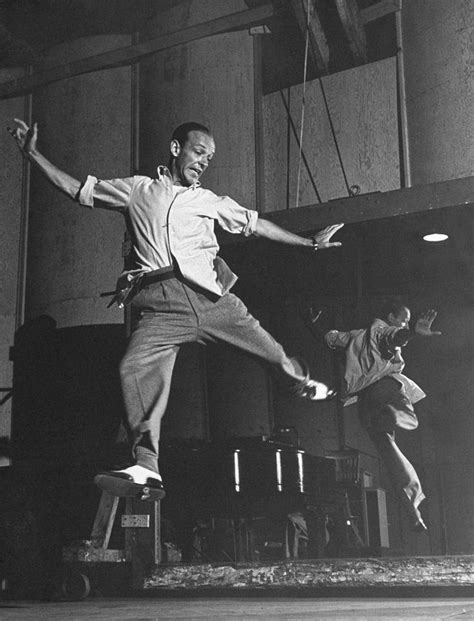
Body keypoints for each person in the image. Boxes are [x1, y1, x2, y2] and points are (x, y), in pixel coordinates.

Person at [8, 118, 343, 498]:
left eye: (209, 158)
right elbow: (77, 190)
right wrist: (33, 154)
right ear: (175, 148)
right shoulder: (137, 190)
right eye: (199, 152)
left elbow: (257, 225)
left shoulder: (210, 201)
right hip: (161, 306)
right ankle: (146, 466)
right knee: (133, 367)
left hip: (212, 300)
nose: (203, 162)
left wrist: (308, 244)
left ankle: (300, 383)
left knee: (272, 352)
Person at [319, 300, 441, 531]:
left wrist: (314, 325)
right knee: (410, 419)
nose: (405, 322)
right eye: (403, 319)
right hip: (384, 390)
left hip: (365, 402)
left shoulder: (355, 335)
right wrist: (412, 332)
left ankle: (413, 513)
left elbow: (331, 338)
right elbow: (395, 338)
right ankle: (396, 416)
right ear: (391, 318)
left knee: (391, 455)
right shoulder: (384, 331)